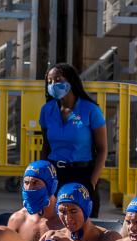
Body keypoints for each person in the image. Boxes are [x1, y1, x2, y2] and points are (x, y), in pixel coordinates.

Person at [40, 64, 107, 217]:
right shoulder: (47, 110)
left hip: (82, 174)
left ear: (70, 81)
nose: (53, 85)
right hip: (55, 174)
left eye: (57, 80)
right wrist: (43, 177)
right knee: (54, 224)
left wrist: (92, 182)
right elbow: (46, 146)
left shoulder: (90, 110)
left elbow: (102, 149)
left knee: (80, 225)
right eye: (49, 82)